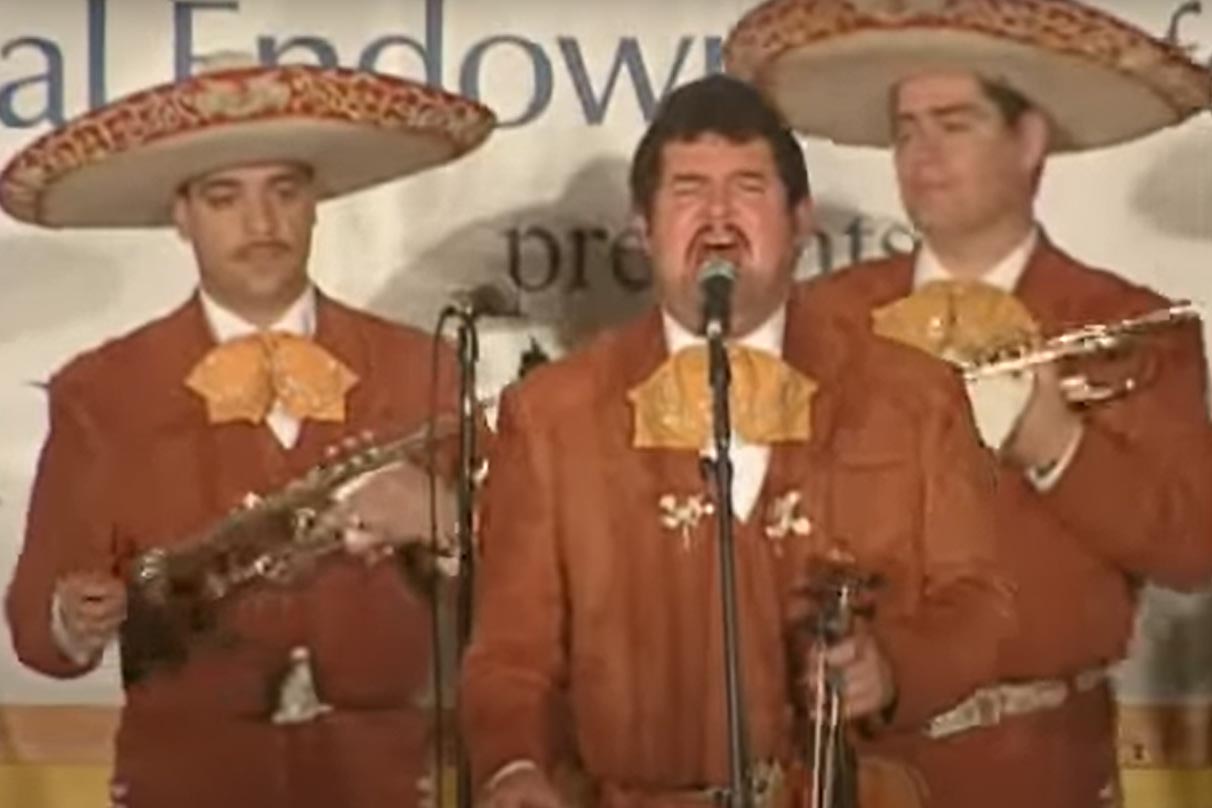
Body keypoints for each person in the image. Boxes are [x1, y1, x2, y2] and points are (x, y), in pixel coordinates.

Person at [460, 73, 1013, 808]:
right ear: (642, 228)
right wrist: (514, 768)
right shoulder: (551, 416)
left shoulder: (911, 395)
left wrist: (896, 667)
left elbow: (981, 604)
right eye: (688, 190)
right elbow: (509, 654)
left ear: (801, 220)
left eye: (749, 187)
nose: (718, 215)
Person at [725, 1, 1212, 805]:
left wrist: (1057, 446)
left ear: (1029, 141)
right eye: (907, 129)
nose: (921, 153)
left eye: (953, 123)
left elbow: (1193, 547)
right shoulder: (822, 319)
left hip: (1037, 768)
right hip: (840, 769)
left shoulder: (1128, 326)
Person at [2, 61, 494, 808]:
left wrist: (454, 523)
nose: (261, 225)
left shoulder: (421, 368)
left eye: (284, 192)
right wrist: (74, 621)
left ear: (316, 205)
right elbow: (38, 634)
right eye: (224, 198)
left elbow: (532, 602)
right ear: (181, 216)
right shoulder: (101, 392)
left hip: (387, 788)